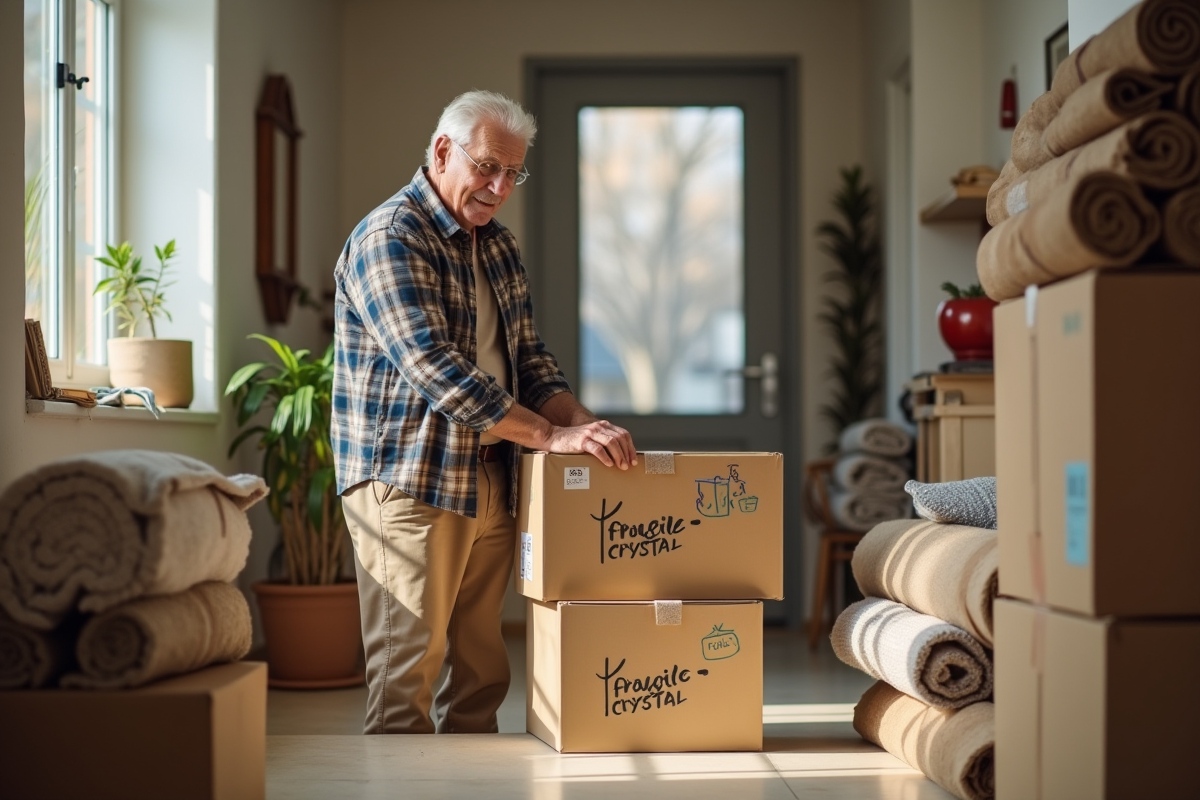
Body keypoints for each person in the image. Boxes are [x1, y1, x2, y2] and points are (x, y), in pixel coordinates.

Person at [331, 89, 637, 735]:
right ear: (443, 151)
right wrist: (551, 436)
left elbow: (530, 358)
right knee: (406, 673)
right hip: (409, 481)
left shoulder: (496, 245)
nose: (499, 187)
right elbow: (433, 369)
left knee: (482, 673)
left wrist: (583, 427)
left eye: (512, 174)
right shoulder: (390, 236)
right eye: (487, 166)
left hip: (492, 474)